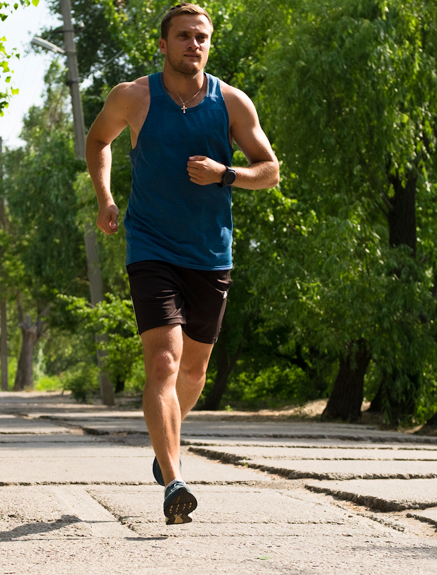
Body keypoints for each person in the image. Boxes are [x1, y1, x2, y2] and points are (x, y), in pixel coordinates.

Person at [85, 2, 279, 525]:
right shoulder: (133, 97)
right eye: (185, 36)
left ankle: (162, 443)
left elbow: (270, 171)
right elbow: (98, 140)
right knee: (165, 361)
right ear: (165, 44)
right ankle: (175, 481)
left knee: (193, 369)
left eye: (203, 37)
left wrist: (225, 174)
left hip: (210, 252)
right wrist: (105, 196)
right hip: (150, 246)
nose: (195, 44)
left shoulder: (232, 102)